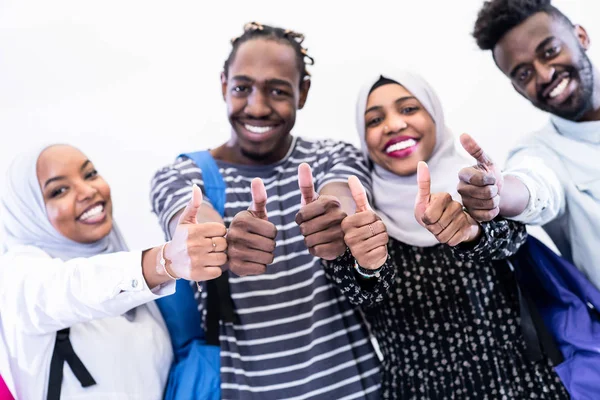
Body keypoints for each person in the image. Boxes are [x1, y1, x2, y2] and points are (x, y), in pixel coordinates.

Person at [150, 22, 381, 399]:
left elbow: (342, 191)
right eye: (242, 88)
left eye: (277, 90)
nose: (257, 107)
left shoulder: (333, 156)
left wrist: (335, 218)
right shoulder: (180, 175)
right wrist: (220, 243)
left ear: (302, 92)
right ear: (224, 84)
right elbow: (190, 222)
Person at [322, 71, 568, 399]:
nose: (393, 125)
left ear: (433, 114)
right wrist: (368, 265)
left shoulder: (475, 186)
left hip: (517, 383)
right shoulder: (361, 217)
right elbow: (358, 291)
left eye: (409, 109)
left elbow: (511, 240)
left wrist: (472, 230)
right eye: (375, 119)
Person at [0, 144, 227, 399]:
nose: (88, 191)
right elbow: (70, 287)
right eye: (59, 190)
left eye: (90, 174)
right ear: (28, 212)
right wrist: (164, 261)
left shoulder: (138, 284)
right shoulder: (18, 276)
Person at [459, 0, 600, 289]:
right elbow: (533, 186)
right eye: (524, 74)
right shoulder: (540, 153)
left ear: (581, 37)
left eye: (550, 52)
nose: (545, 75)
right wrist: (497, 191)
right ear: (517, 88)